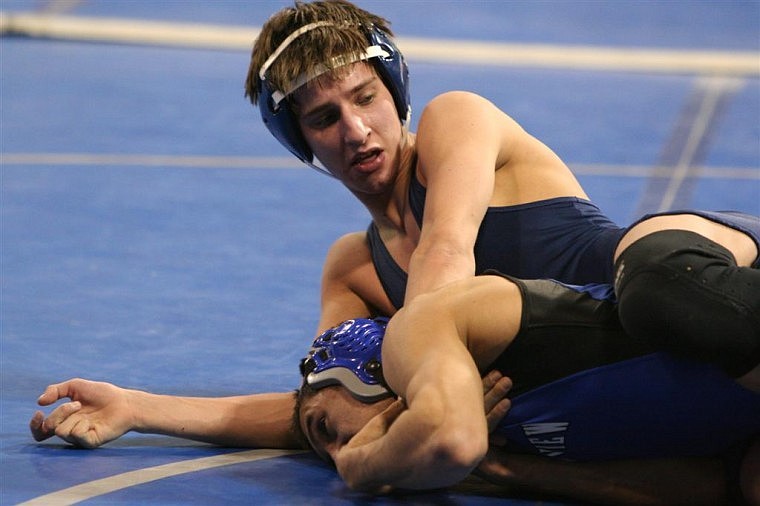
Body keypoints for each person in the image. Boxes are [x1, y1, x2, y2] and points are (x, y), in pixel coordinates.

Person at [294, 273, 760, 504]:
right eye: (333, 452)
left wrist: (360, 467)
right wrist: (506, 470)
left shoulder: (423, 327)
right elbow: (707, 486)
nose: (339, 452)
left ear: (359, 371)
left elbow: (450, 438)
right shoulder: (489, 436)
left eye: (326, 428)